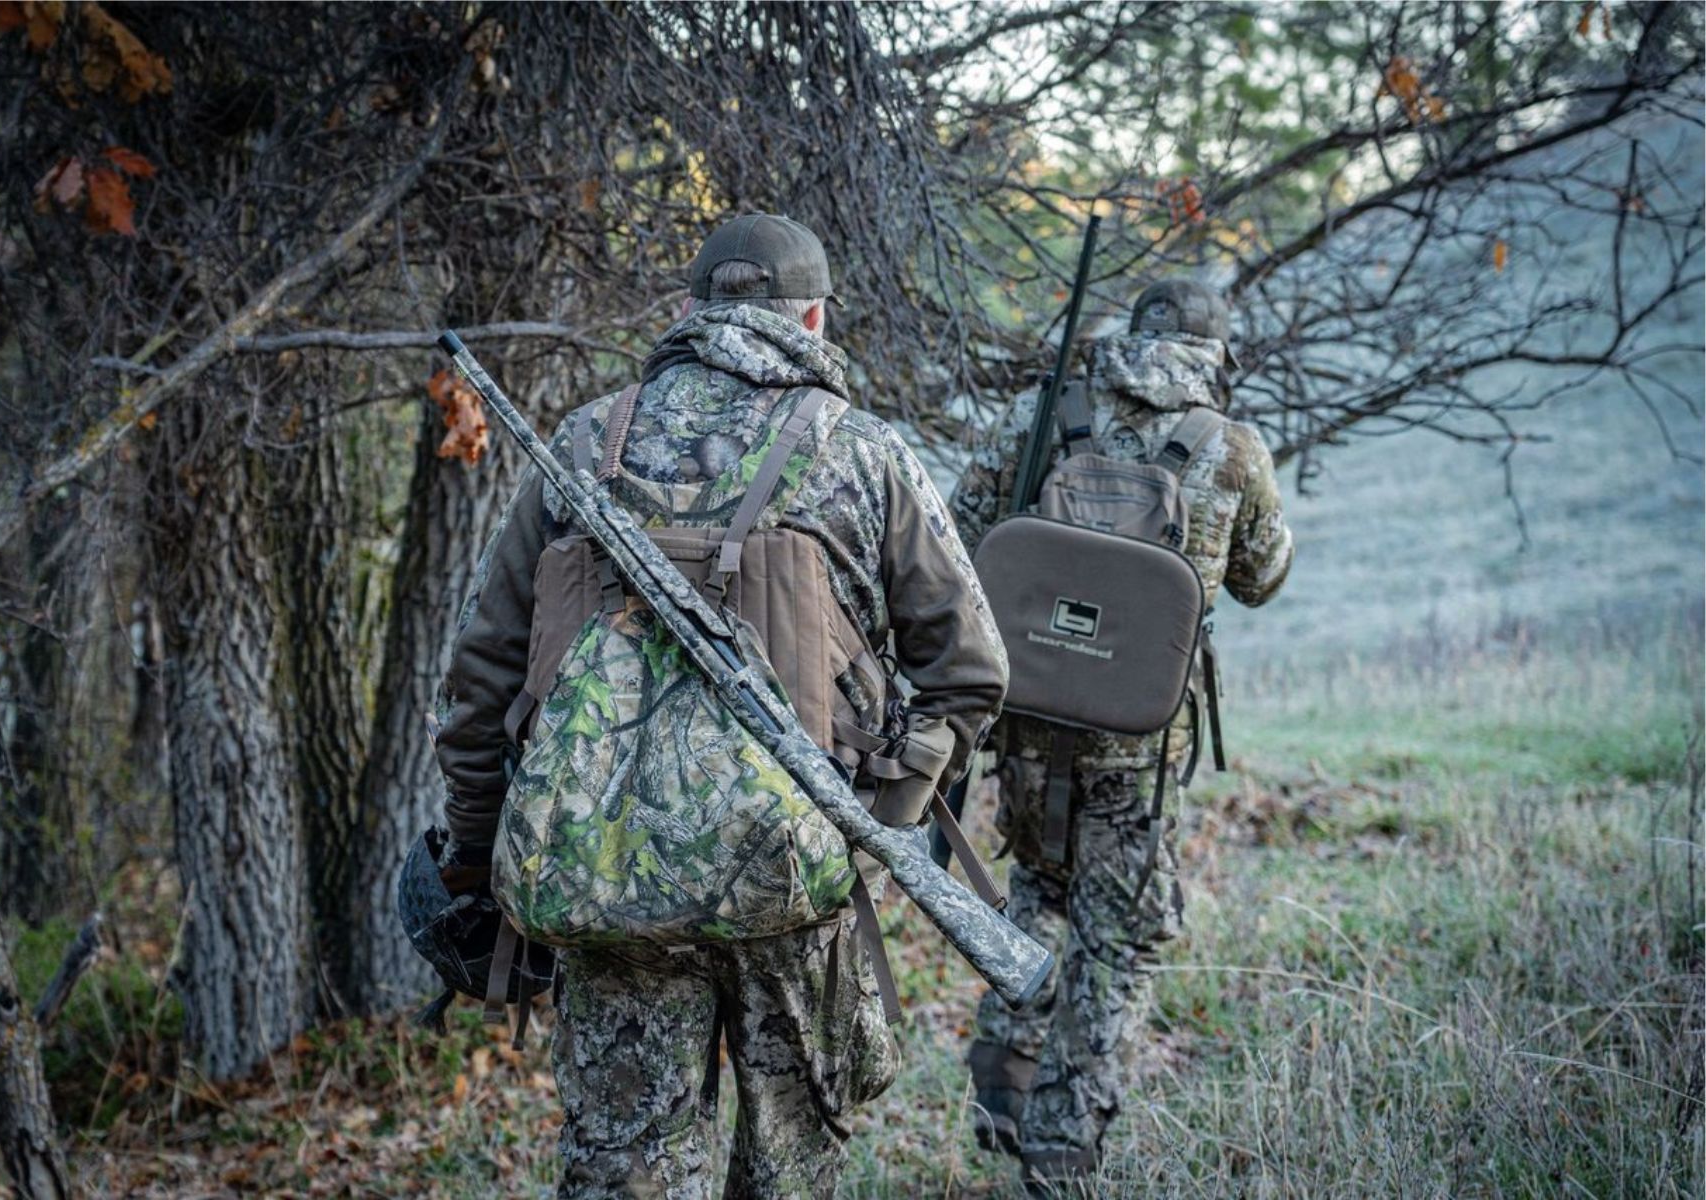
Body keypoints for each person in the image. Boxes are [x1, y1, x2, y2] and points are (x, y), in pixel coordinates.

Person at [435, 212, 1008, 1199]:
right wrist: (873, 822)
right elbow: (969, 670)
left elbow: (483, 677)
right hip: (793, 878)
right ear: (815, 318)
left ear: (688, 312)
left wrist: (482, 857)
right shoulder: (865, 452)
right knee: (791, 1167)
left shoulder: (582, 440)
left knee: (626, 1168)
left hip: (604, 873)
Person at [951, 280, 1294, 1191]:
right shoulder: (1232, 449)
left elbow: (960, 537)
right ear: (1215, 354)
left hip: (1027, 713)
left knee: (1037, 881)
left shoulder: (1045, 412)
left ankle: (1002, 1068)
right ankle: (1063, 1141)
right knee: (1120, 932)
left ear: (1132, 336)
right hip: (1140, 739)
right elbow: (1262, 579)